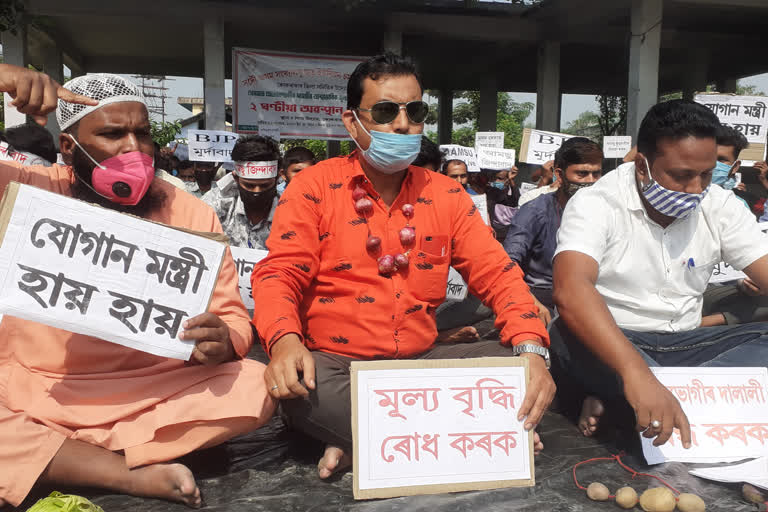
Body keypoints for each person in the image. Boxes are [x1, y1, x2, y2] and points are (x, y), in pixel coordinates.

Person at [252, 53, 554, 480]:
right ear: (351, 121)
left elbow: (496, 272)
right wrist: (283, 341)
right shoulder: (312, 187)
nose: (402, 124)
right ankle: (479, 439)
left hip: (421, 363)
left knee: (533, 353)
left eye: (414, 111)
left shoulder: (447, 195)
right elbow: (280, 272)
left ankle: (366, 443)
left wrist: (531, 350)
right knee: (300, 385)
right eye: (385, 111)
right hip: (339, 368)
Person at [0, 66, 275, 508]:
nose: (135, 150)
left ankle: (55, 457)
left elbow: (232, 318)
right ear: (69, 147)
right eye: (113, 135)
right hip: (36, 390)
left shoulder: (191, 213)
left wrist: (223, 341)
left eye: (143, 134)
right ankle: (122, 471)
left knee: (257, 385)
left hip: (152, 391)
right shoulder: (27, 192)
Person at [551, 100, 768, 444]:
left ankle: (630, 404)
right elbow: (570, 289)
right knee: (566, 332)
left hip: (687, 345)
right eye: (682, 176)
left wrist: (649, 379)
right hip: (618, 342)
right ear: (642, 166)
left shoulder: (720, 204)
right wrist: (634, 372)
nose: (697, 188)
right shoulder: (597, 203)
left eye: (707, 174)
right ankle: (690, 402)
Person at [504, 138, 603, 315]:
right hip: (543, 299)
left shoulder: (608, 211)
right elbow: (507, 263)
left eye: (596, 174)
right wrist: (529, 300)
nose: (591, 181)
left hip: (594, 300)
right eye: (582, 174)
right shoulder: (535, 211)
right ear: (559, 174)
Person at [203, 135, 280, 249]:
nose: (257, 191)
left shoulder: (289, 210)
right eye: (249, 185)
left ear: (277, 178)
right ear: (236, 179)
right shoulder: (215, 204)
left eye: (265, 185)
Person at [485, 167, 521, 240]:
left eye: (500, 179)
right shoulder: (488, 192)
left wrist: (511, 180)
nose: (496, 181)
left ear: (507, 180)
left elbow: (515, 200)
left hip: (507, 234)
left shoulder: (512, 192)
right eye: (494, 178)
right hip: (491, 233)